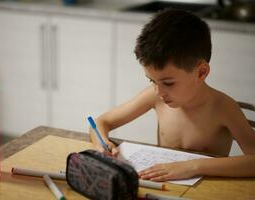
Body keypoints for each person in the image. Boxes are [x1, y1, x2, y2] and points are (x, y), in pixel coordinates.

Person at [89, 8, 255, 181]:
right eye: (152, 81)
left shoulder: (223, 107)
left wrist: (193, 166)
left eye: (168, 83)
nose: (159, 92)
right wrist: (102, 144)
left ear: (201, 73)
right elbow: (100, 122)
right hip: (163, 187)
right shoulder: (154, 96)